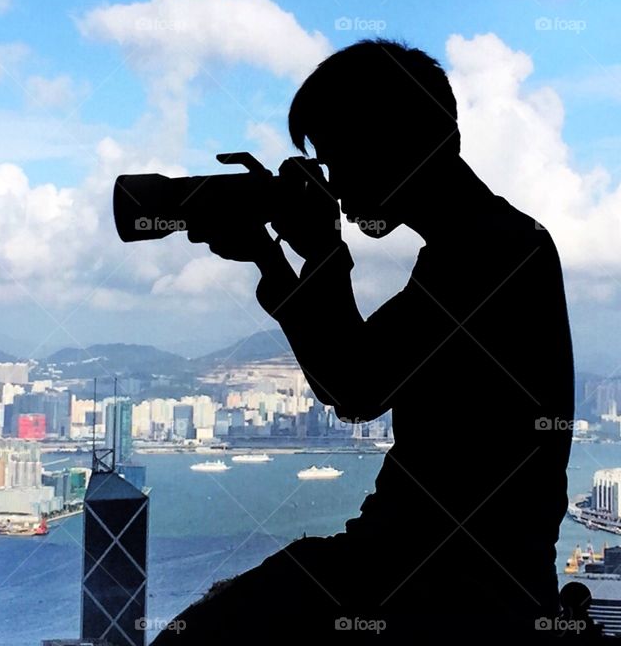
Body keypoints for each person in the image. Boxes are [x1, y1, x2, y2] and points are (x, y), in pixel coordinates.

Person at [151, 39, 574, 643]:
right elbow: (350, 379)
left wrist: (319, 251)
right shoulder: (491, 243)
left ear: (399, 142)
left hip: (440, 587)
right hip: (445, 579)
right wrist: (274, 259)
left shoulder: (492, 251)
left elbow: (356, 385)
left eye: (339, 156)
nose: (336, 184)